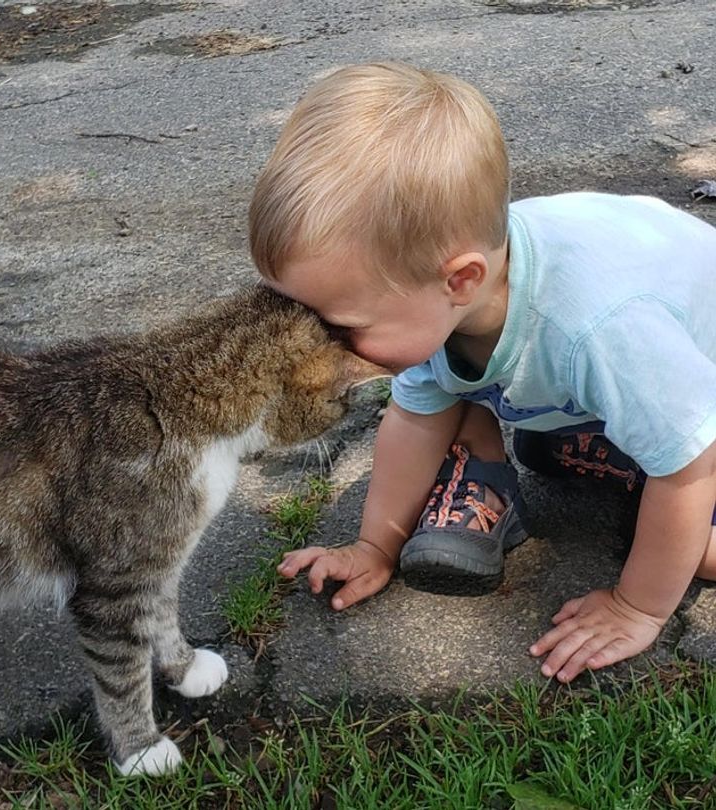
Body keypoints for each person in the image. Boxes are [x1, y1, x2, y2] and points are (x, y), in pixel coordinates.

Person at [248, 61, 716, 684]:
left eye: (341, 325)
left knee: (697, 549)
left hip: (689, 382)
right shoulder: (440, 301)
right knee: (572, 432)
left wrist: (637, 606)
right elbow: (416, 420)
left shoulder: (598, 331)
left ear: (460, 279)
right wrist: (375, 545)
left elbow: (689, 467)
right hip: (652, 373)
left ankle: (628, 445)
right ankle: (606, 437)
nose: (322, 348)